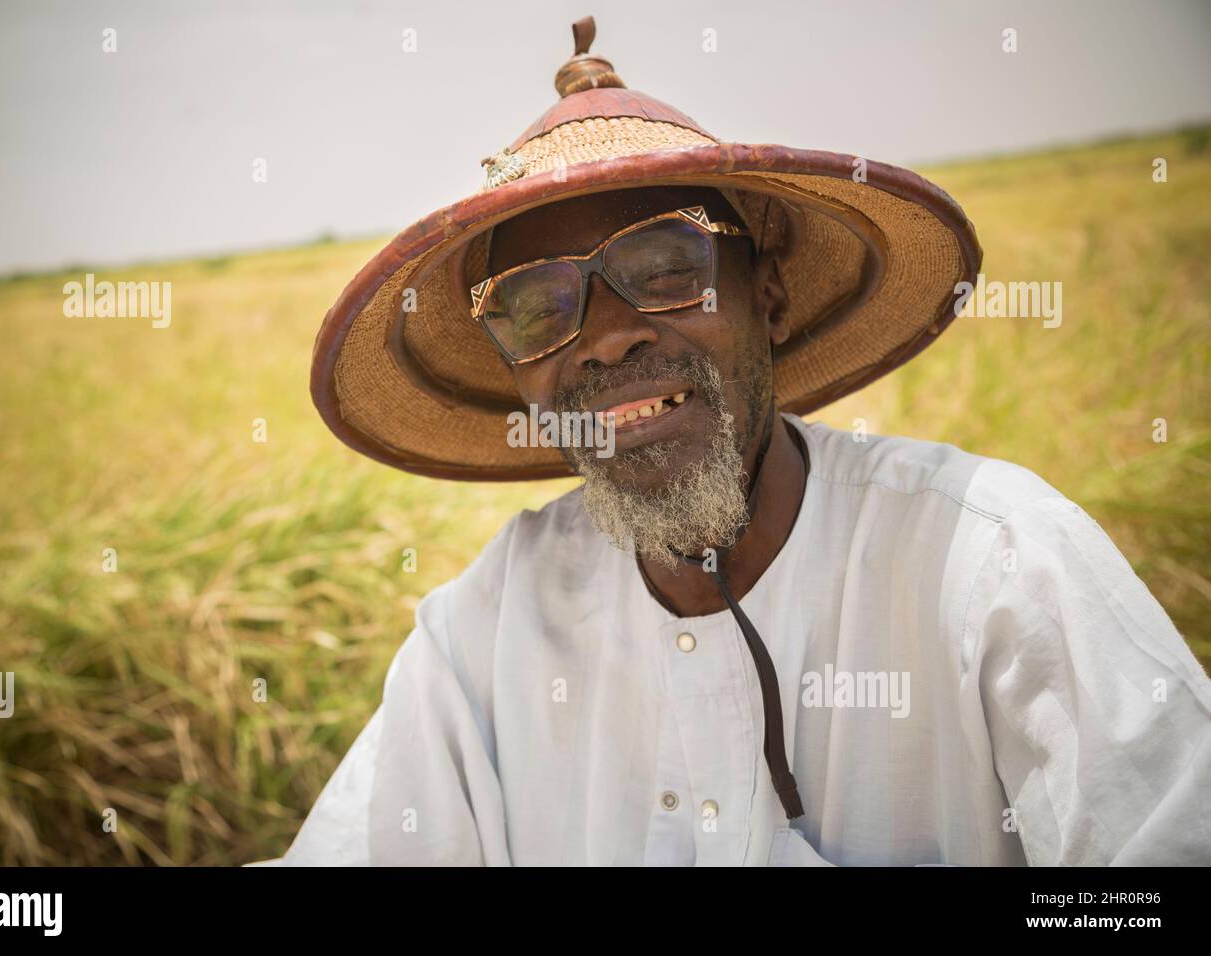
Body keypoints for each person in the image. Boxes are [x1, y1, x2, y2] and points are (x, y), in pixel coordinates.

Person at [280, 18, 1211, 865]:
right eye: (535, 307)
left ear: (765, 295)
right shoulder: (480, 636)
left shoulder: (992, 561)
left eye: (665, 267)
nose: (607, 336)